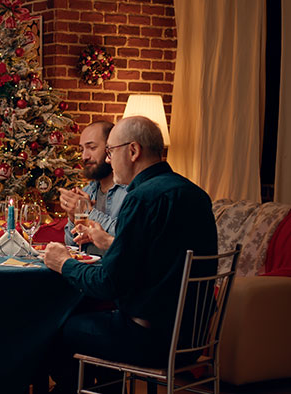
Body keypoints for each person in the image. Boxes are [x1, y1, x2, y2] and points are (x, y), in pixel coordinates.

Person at [42, 116, 218, 393]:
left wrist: (63, 264)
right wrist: (109, 244)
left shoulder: (142, 198)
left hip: (149, 339)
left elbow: (108, 282)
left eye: (110, 151)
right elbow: (154, 260)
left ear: (133, 151)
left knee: (55, 327)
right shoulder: (195, 193)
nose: (109, 161)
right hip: (192, 340)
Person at [59, 121, 127, 255]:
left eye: (92, 147)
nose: (84, 156)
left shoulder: (129, 192)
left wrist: (88, 211)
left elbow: (126, 237)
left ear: (110, 148)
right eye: (82, 149)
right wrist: (73, 217)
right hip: (85, 271)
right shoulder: (87, 191)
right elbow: (71, 245)